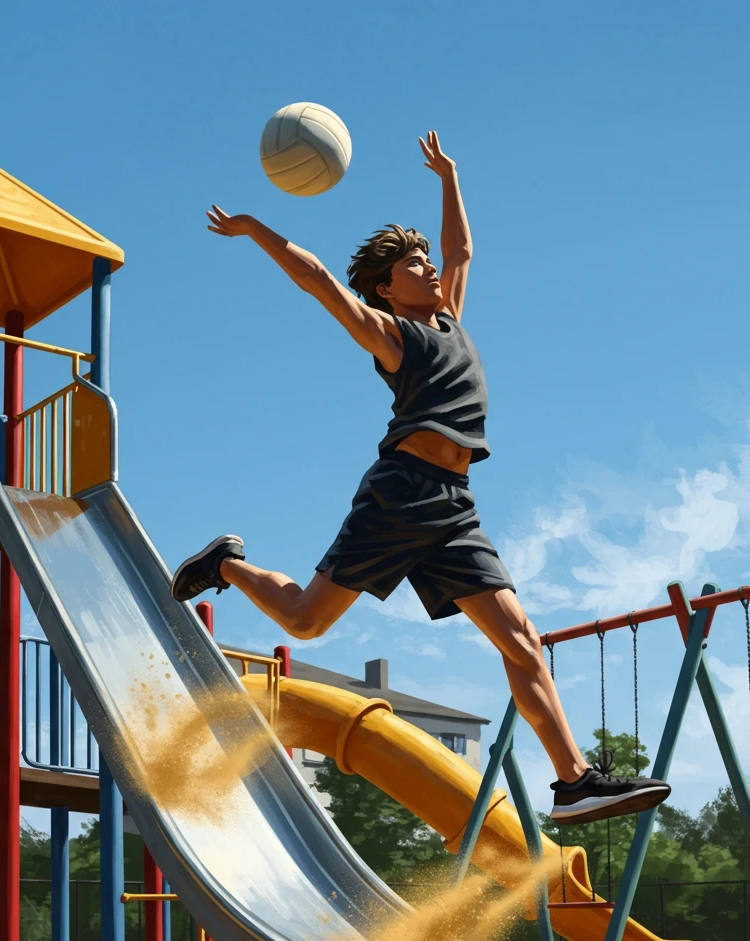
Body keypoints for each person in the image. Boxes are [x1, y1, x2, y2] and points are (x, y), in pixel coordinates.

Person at [172, 131, 669, 825]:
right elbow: (317, 282)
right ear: (386, 287)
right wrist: (257, 227)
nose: (430, 268)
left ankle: (574, 780)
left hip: (456, 508)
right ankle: (228, 566)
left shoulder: (451, 316)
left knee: (520, 640)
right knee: (306, 622)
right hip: (402, 494)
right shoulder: (393, 335)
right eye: (413, 263)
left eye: (426, 259)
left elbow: (462, 250)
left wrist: (449, 178)